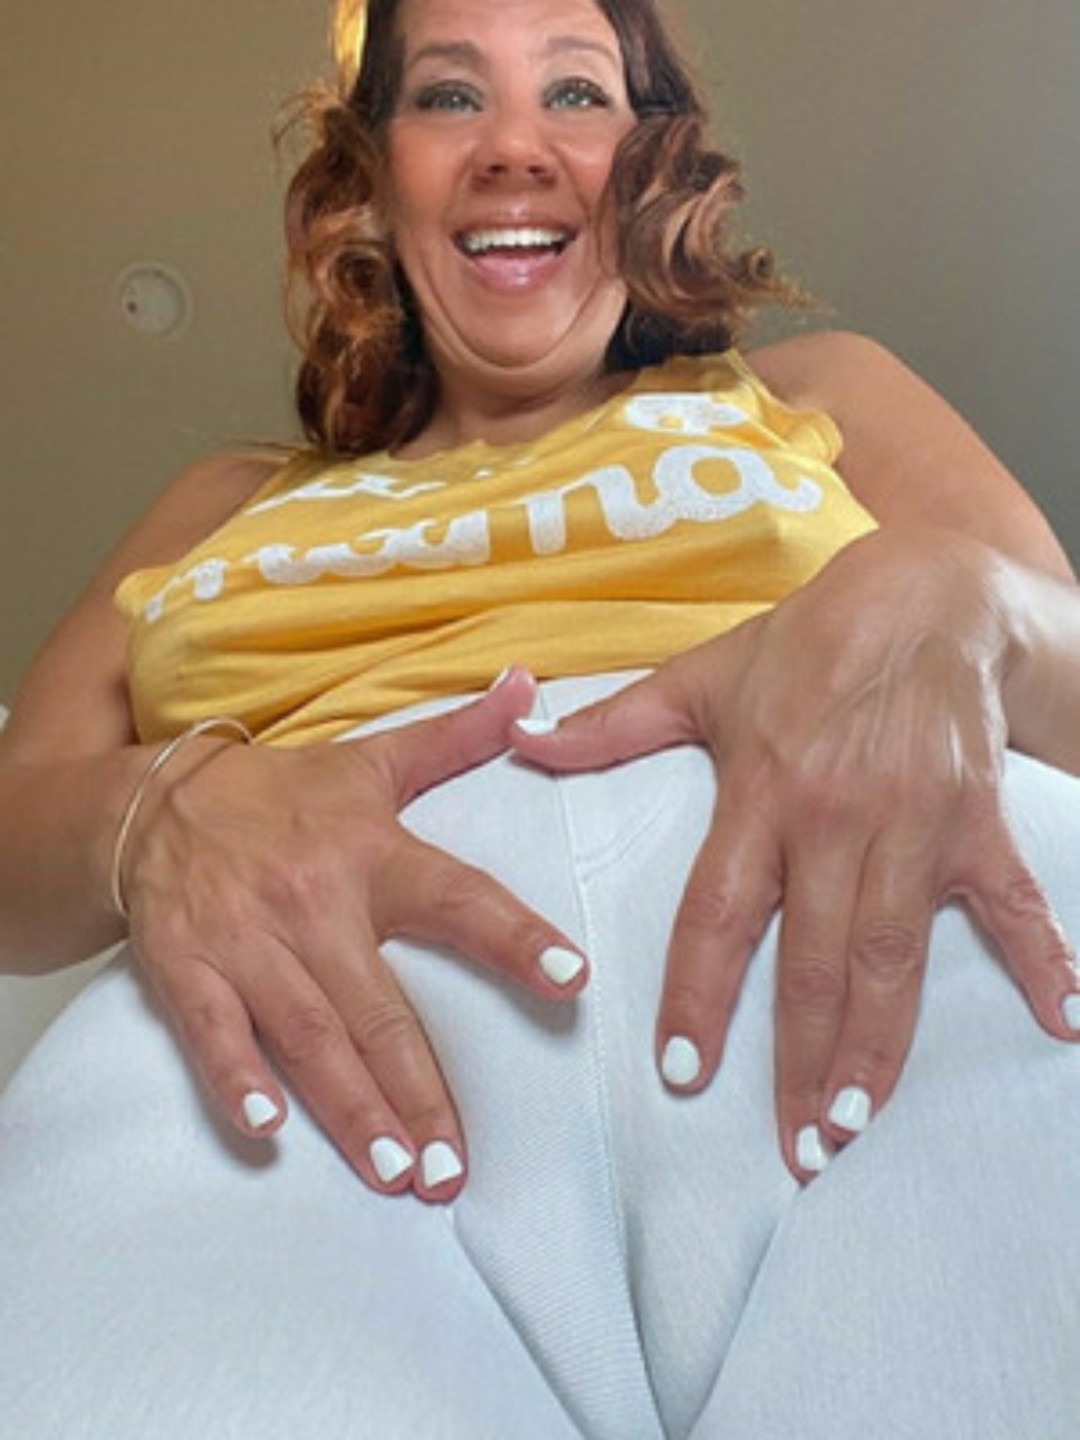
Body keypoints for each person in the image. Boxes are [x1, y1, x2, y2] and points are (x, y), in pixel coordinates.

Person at [1, 0, 1079, 1435]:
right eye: (450, 97)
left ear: (649, 162)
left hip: (896, 943)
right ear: (374, 176)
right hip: (302, 1052)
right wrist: (158, 811)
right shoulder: (222, 499)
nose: (514, 146)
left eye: (574, 93)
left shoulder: (813, 390)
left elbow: (1061, 666)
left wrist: (959, 596)